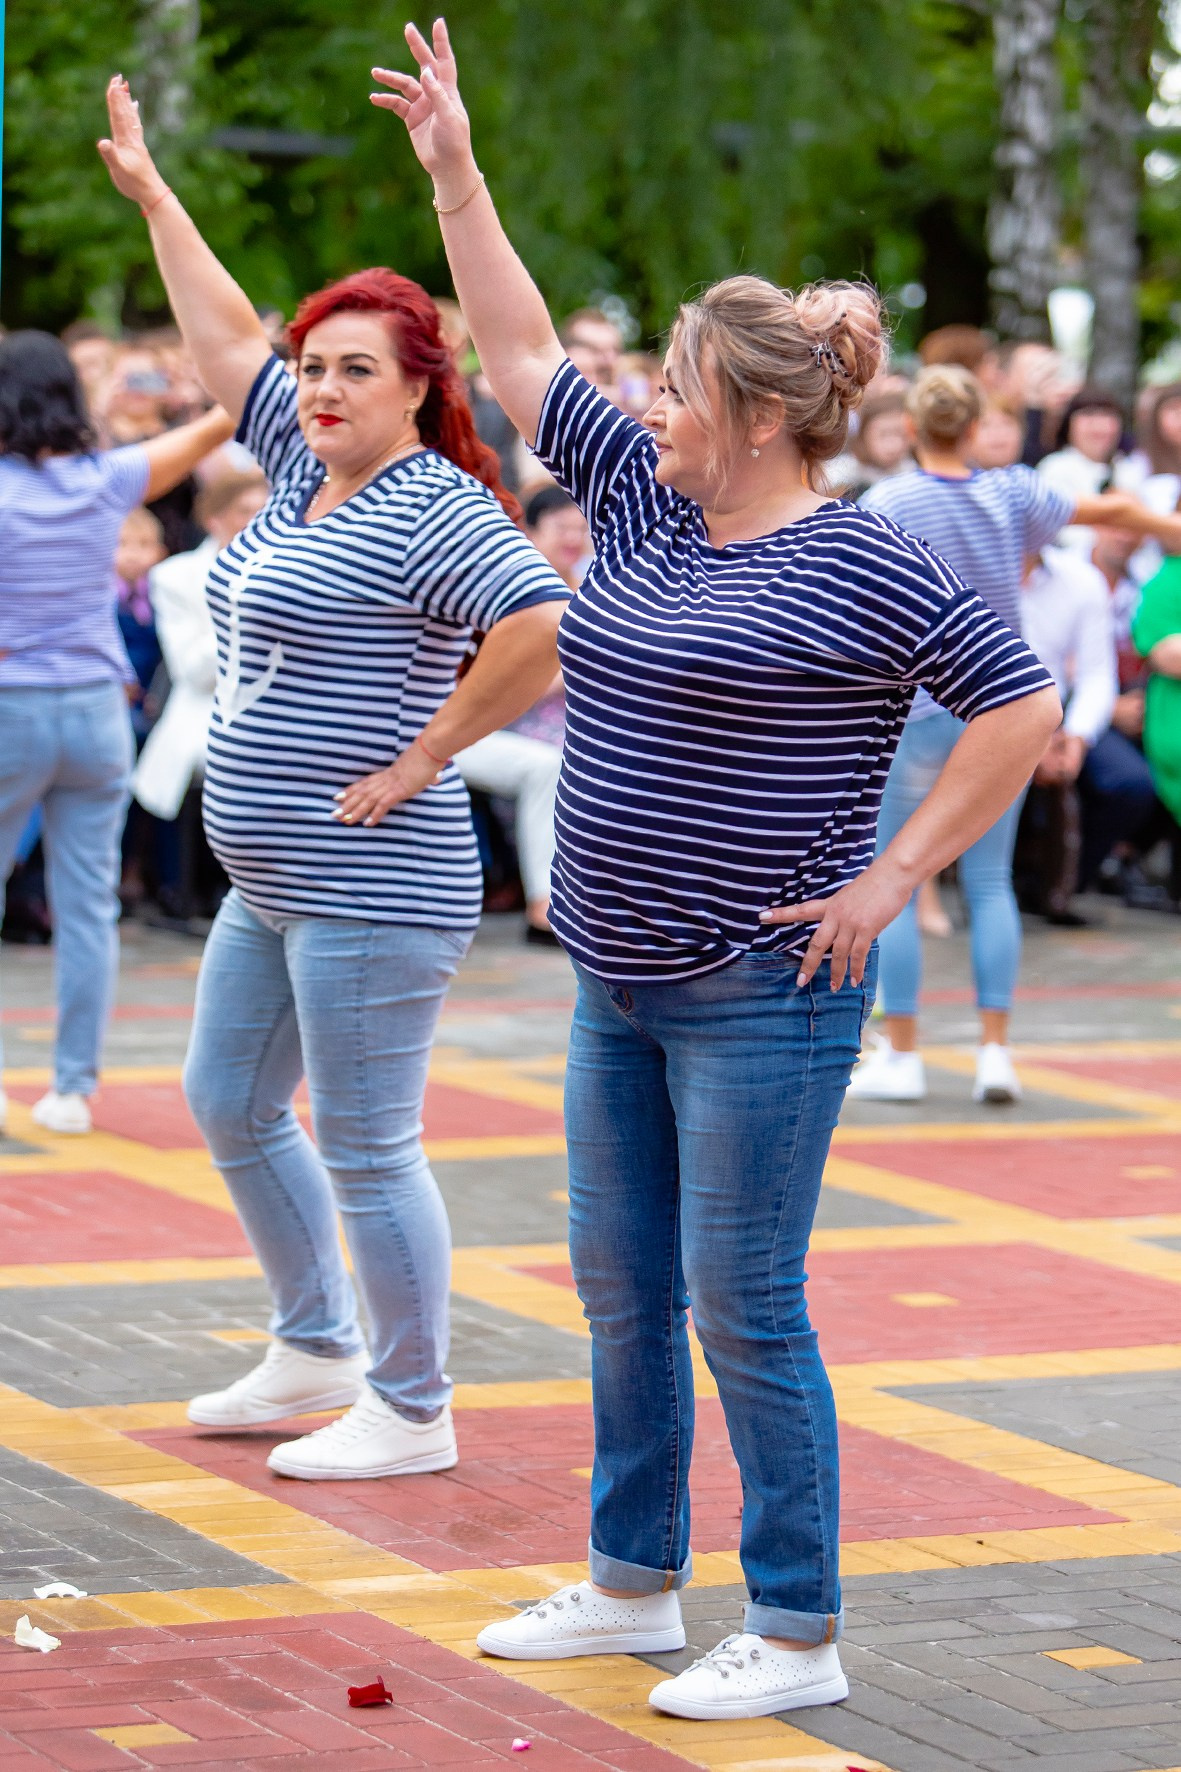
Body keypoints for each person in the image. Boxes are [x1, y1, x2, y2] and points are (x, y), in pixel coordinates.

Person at [374, 20, 1063, 1720]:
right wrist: (458, 177)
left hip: (767, 988)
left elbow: (1020, 703)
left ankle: (803, 1628)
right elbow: (525, 350)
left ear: (752, 413)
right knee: (619, 1287)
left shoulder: (871, 560)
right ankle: (628, 1584)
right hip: (618, 971)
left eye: (675, 387)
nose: (648, 410)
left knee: (742, 1303)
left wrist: (893, 875)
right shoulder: (648, 497)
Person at [98, 75, 569, 1480]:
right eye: (313, 371)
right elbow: (224, 335)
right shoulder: (308, 478)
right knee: (230, 1103)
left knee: (369, 1147)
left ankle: (412, 1408)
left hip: (377, 881)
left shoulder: (430, 504)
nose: (317, 388)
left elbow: (542, 627)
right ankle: (314, 1342)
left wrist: (426, 756)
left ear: (421, 383)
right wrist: (155, 197)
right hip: (275, 877)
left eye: (354, 368)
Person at [853, 366, 1181, 1104]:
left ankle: (900, 1051)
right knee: (991, 881)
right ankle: (993, 1050)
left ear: (909, 428)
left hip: (914, 713)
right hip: (995, 708)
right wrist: (1168, 531)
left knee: (893, 882)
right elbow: (1111, 509)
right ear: (974, 428)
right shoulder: (1009, 493)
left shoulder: (886, 502)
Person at [0, 330, 233, 1138]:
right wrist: (237, 370)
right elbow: (212, 430)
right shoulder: (105, 480)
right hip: (98, 710)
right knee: (88, 905)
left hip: (12, 705)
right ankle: (71, 1088)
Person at [133, 470, 269, 923]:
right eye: (245, 511)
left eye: (264, 511)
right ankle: (191, 890)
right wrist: (249, 609)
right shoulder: (176, 575)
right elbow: (193, 671)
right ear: (214, 519)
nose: (257, 521)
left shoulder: (293, 566)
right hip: (204, 710)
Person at [455, 484, 589, 939]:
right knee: (561, 761)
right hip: (496, 724)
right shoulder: (512, 591)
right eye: (560, 528)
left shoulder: (594, 585)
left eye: (580, 527)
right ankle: (545, 908)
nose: (573, 537)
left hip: (566, 719)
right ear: (529, 532)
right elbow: (499, 690)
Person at [1016, 547, 1117, 923]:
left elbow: (1097, 673)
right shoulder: (972, 566)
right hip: (994, 715)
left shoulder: (1080, 579)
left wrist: (1075, 737)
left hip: (1059, 711)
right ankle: (1021, 880)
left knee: (1126, 783)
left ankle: (1064, 885)